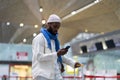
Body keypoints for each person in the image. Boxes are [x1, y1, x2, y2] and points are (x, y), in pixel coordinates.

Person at [32, 14, 83, 80]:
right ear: (48, 24)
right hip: (42, 75)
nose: (56, 29)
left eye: (58, 27)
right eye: (55, 26)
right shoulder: (40, 38)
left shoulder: (54, 40)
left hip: (54, 74)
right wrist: (57, 54)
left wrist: (73, 63)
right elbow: (39, 57)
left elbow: (57, 57)